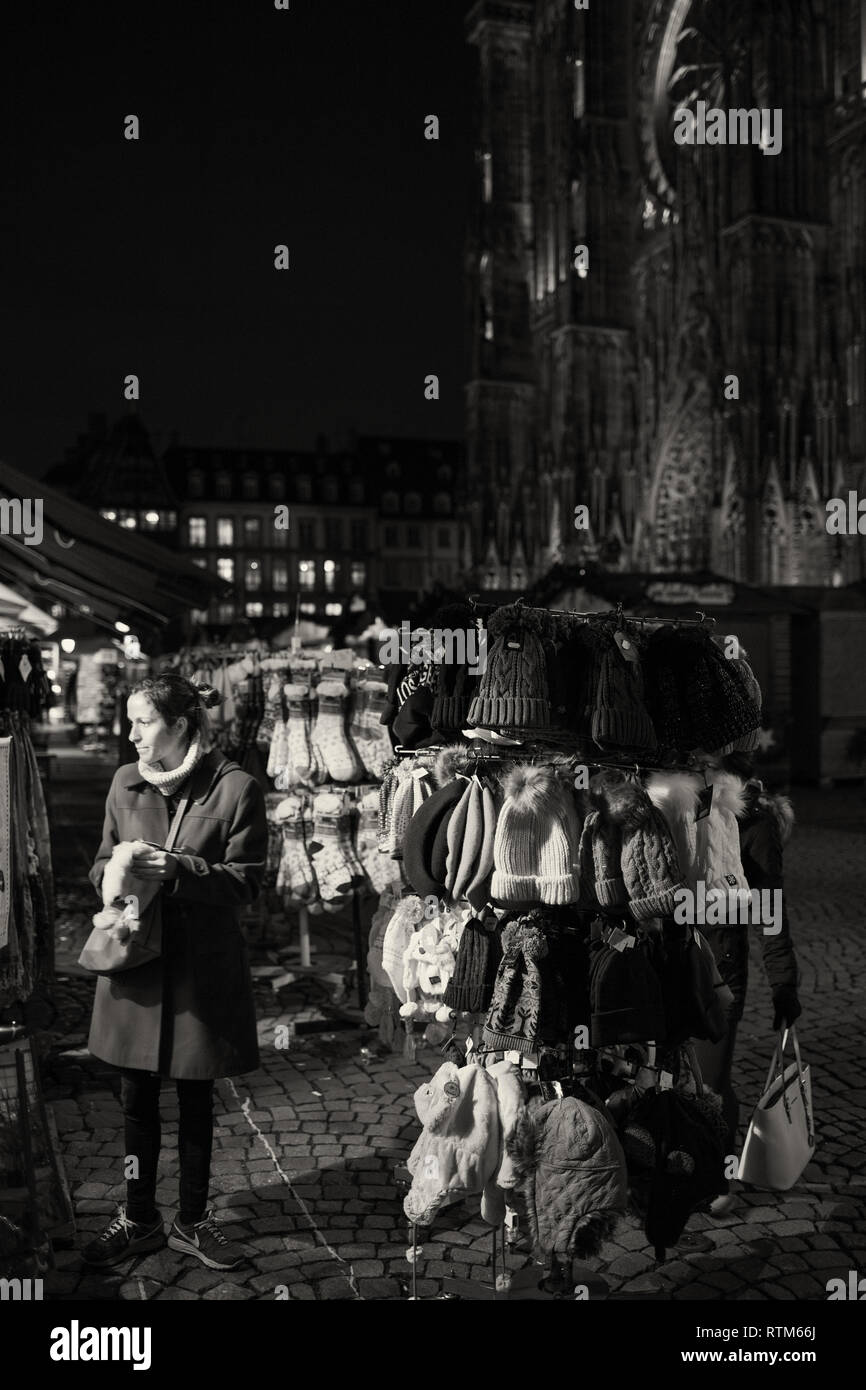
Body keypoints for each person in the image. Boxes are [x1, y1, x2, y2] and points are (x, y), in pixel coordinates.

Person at [81, 673, 268, 1270]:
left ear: (181, 725)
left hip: (198, 973)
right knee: (135, 1100)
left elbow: (250, 882)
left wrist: (181, 870)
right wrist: (119, 881)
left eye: (143, 721)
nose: (130, 733)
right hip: (135, 966)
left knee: (194, 1100)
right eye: (130, 721)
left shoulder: (236, 788)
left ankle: (193, 1217)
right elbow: (100, 861)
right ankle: (137, 1216)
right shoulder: (124, 782)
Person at [693, 751, 801, 1215]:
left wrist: (784, 985)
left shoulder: (754, 828)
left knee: (711, 1079)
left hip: (722, 968)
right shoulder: (688, 812)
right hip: (675, 960)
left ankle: (717, 1177)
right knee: (687, 1077)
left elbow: (770, 916)